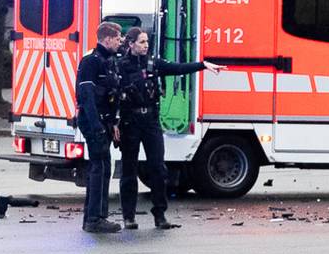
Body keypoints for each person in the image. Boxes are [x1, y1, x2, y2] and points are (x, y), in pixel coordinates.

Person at [113, 28, 221, 230]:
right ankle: (129, 216)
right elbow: (113, 94)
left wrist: (203, 65)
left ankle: (160, 214)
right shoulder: (120, 66)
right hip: (130, 121)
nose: (146, 45)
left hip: (151, 120)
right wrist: (115, 122)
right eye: (142, 42)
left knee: (158, 168)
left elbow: (179, 68)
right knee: (129, 170)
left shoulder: (153, 64)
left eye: (147, 41)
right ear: (131, 44)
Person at [72, 21, 128, 234]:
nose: (120, 41)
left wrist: (113, 123)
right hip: (93, 122)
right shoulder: (91, 62)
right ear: (107, 39)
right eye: (117, 37)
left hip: (104, 122)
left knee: (103, 167)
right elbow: (86, 98)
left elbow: (112, 97)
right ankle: (94, 219)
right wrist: (96, 127)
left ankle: (95, 216)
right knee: (100, 168)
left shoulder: (110, 61)